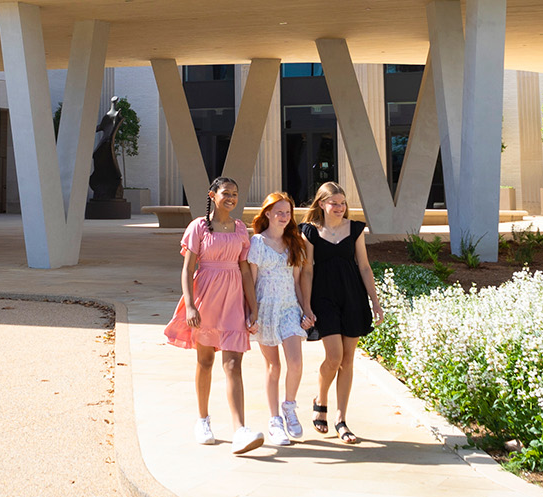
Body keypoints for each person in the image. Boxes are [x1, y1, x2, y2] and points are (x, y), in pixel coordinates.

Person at [163, 176, 264, 454]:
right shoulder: (198, 226)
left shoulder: (241, 228)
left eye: (235, 193)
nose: (231, 198)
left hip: (233, 300)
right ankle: (203, 421)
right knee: (205, 361)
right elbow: (187, 270)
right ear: (213, 195)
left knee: (233, 364)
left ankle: (240, 430)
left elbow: (245, 270)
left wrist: (253, 306)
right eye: (226, 193)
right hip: (206, 298)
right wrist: (190, 305)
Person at [299, 180, 383, 444]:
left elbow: (365, 267)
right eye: (334, 203)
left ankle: (341, 420)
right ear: (321, 204)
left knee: (348, 361)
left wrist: (375, 302)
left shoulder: (355, 229)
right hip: (323, 298)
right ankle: (321, 399)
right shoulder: (309, 231)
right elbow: (307, 270)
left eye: (343, 203)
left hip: (352, 297)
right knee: (334, 357)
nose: (339, 207)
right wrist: (306, 306)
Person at [247, 191, 313, 446]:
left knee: (295, 362)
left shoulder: (294, 241)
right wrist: (251, 312)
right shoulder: (257, 243)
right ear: (267, 213)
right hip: (265, 309)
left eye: (288, 213)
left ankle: (289, 407)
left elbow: (297, 281)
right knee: (273, 366)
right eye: (279, 212)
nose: (284, 217)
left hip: (288, 309)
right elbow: (251, 281)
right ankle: (274, 420)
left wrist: (305, 309)